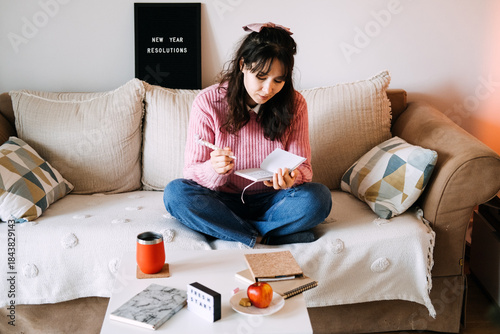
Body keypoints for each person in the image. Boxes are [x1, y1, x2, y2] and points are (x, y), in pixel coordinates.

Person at [163, 22, 332, 248]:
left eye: (278, 80)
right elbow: (191, 172)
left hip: (274, 200)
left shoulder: (295, 104)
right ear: (243, 64)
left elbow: (305, 170)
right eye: (261, 77)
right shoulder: (208, 102)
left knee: (318, 198)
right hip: (222, 199)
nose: (268, 89)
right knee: (175, 194)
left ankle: (235, 231)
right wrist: (214, 169)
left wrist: (292, 178)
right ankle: (264, 235)